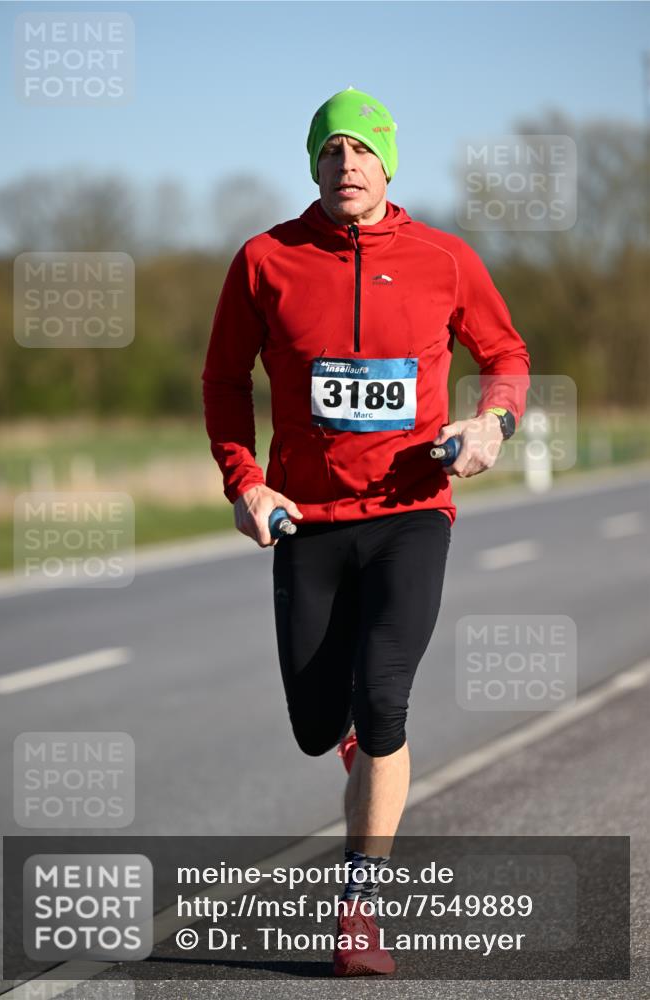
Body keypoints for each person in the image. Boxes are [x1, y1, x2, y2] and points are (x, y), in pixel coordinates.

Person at [202, 86, 530, 977]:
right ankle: (353, 746)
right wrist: (247, 481)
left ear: (389, 163)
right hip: (304, 521)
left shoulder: (443, 259)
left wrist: (490, 425)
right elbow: (225, 381)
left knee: (384, 697)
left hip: (411, 513)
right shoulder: (265, 259)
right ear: (311, 165)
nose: (345, 165)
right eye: (329, 151)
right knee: (319, 725)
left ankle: (358, 909)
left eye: (360, 150)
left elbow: (504, 356)